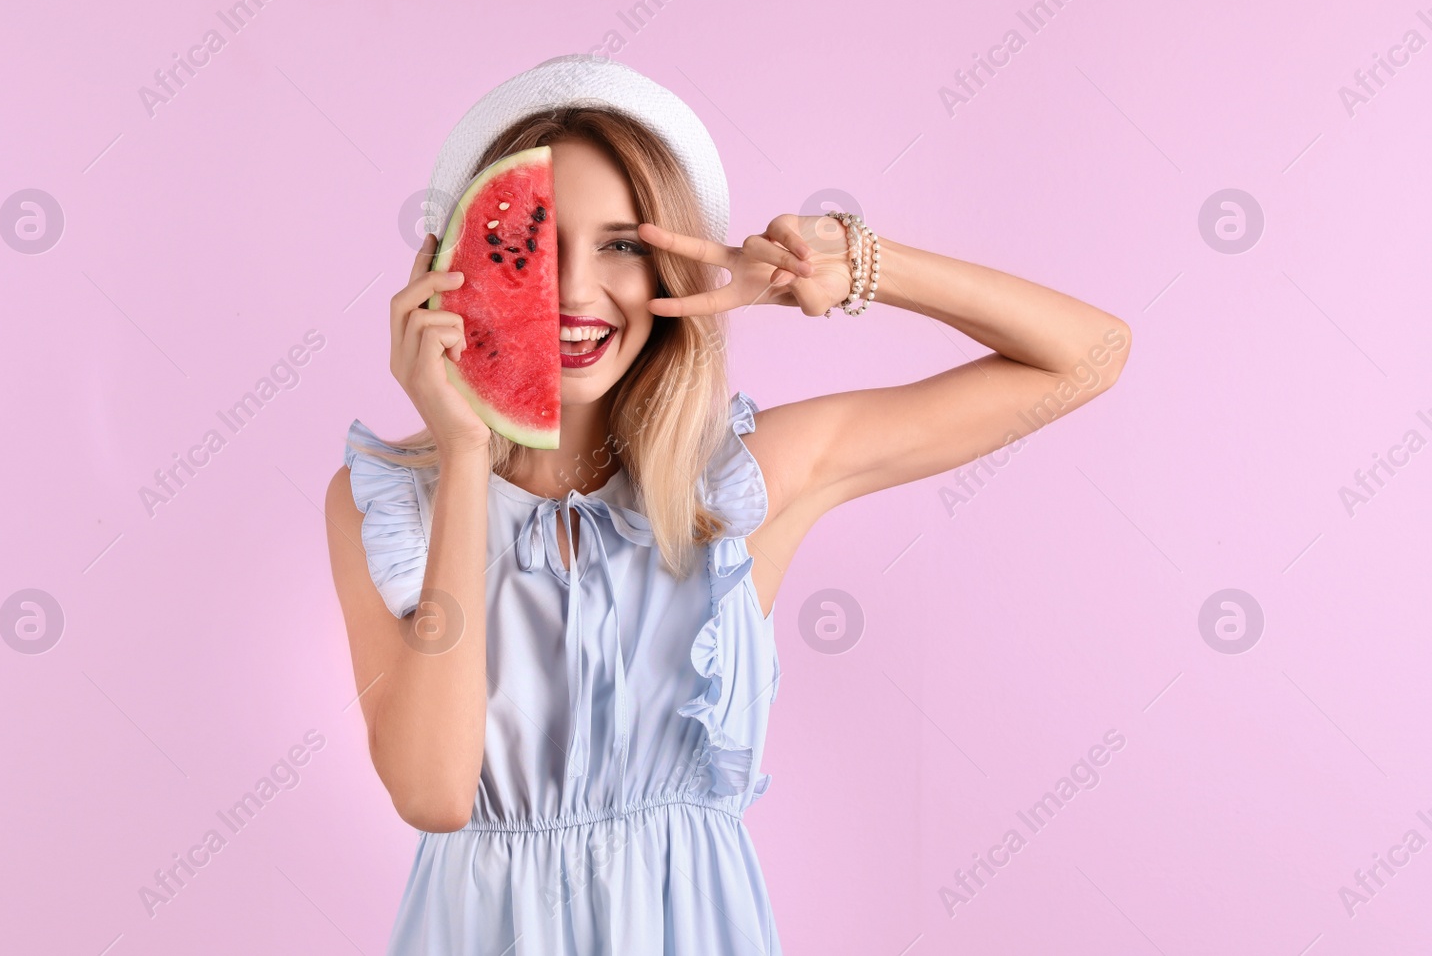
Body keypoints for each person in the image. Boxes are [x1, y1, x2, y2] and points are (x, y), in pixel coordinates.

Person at [323, 55, 1130, 954]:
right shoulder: (390, 504)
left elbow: (1088, 353)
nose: (579, 291)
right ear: (457, 267)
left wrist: (856, 261)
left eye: (623, 244)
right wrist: (467, 452)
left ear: (674, 265)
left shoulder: (735, 487)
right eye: (534, 248)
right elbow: (433, 794)